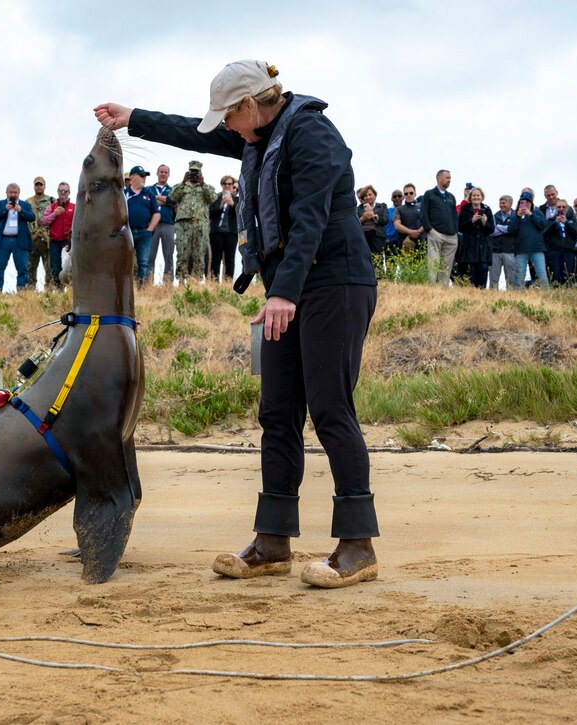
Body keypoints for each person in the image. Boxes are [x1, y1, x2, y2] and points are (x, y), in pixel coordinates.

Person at [94, 58, 379, 589]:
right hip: (289, 292)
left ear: (249, 106)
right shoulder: (257, 138)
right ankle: (272, 542)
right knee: (277, 412)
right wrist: (131, 117)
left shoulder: (312, 134)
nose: (224, 126)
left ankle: (358, 546)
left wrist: (285, 294)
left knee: (331, 408)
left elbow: (312, 217)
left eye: (227, 116)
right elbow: (191, 134)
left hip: (335, 284)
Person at [171, 160, 217, 284]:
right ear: (188, 172)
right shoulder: (180, 186)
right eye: (192, 172)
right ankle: (181, 281)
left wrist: (203, 184)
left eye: (197, 173)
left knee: (199, 255)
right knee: (182, 254)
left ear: (201, 173)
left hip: (200, 224)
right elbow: (173, 196)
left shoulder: (207, 187)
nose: (194, 175)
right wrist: (182, 182)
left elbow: (213, 198)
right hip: (183, 225)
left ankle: (195, 282)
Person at [0, 183, 35, 291]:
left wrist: (20, 210)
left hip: (20, 241)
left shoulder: (25, 205)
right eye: (11, 192)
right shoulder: (0, 203)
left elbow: (32, 217)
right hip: (3, 240)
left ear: (19, 193)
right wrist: (4, 209)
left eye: (15, 192)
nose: (13, 194)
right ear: (6, 193)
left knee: (23, 267)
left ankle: (22, 290)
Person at [420, 170, 459, 285]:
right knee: (434, 262)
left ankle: (442, 289)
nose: (449, 180)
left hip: (451, 236)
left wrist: (455, 231)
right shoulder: (429, 194)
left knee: (447, 264)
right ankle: (431, 288)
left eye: (450, 178)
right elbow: (423, 214)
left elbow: (454, 215)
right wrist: (430, 230)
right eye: (447, 177)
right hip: (435, 233)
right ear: (439, 178)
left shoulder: (451, 197)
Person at [124, 165, 160, 286]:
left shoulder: (149, 194)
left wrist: (150, 229)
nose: (144, 178)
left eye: (145, 176)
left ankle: (142, 288)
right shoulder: (124, 194)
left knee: (143, 262)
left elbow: (156, 214)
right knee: (126, 262)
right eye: (142, 176)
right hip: (127, 233)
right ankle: (127, 287)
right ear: (133, 178)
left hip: (144, 233)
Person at [455, 187, 493, 288]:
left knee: (483, 272)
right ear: (470, 197)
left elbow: (491, 229)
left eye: (478, 195)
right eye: (474, 195)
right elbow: (460, 227)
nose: (476, 197)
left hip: (483, 249)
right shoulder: (465, 209)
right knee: (471, 275)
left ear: (482, 197)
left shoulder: (487, 209)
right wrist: (471, 221)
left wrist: (485, 222)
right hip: (469, 248)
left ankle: (481, 294)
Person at [510, 190, 549, 289]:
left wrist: (530, 214)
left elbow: (543, 225)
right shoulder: (515, 215)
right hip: (521, 250)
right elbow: (511, 230)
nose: (525, 204)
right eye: (523, 201)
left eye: (528, 201)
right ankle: (518, 297)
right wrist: (518, 217)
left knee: (542, 273)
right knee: (519, 275)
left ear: (531, 202)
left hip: (537, 248)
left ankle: (547, 295)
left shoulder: (537, 212)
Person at [42, 182, 76, 288]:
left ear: (69, 193)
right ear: (57, 192)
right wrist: (55, 214)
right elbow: (44, 221)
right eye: (61, 191)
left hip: (69, 242)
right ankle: (58, 291)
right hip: (55, 242)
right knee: (55, 268)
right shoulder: (51, 207)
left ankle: (71, 291)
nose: (63, 193)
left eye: (65, 191)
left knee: (70, 268)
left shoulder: (74, 207)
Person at [149, 164, 177, 285]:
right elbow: (149, 202)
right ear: (157, 173)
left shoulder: (173, 190)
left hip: (168, 224)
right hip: (152, 225)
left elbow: (173, 200)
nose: (163, 174)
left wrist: (157, 198)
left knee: (168, 255)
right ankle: (147, 283)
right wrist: (165, 201)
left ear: (168, 174)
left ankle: (168, 284)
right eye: (161, 172)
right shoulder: (149, 189)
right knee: (150, 256)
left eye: (166, 172)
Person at [208, 174, 239, 283]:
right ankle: (214, 282)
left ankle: (228, 283)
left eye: (230, 184)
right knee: (216, 258)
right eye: (225, 184)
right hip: (216, 232)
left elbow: (240, 214)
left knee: (230, 259)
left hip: (231, 232)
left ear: (233, 185)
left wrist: (232, 203)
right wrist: (221, 204)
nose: (227, 186)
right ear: (221, 185)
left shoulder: (238, 199)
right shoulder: (215, 198)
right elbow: (210, 213)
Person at [543, 198, 577, 285]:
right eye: (559, 207)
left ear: (567, 208)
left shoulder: (572, 220)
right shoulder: (550, 220)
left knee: (568, 276)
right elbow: (545, 234)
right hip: (554, 251)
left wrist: (566, 222)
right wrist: (555, 223)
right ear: (556, 208)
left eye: (564, 207)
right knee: (555, 275)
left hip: (568, 251)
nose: (561, 209)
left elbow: (576, 233)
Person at [25, 177, 54, 289]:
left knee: (49, 267)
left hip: (47, 238)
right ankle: (30, 291)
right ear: (34, 186)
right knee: (31, 267)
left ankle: (49, 290)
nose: (38, 187)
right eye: (37, 185)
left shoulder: (51, 200)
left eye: (40, 185)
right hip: (32, 238)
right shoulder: (28, 202)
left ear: (44, 186)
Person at [488, 195, 518, 289]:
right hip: (495, 251)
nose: (501, 205)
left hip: (510, 250)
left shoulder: (515, 216)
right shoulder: (494, 216)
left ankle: (511, 298)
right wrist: (507, 229)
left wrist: (499, 227)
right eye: (500, 203)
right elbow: (491, 232)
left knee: (511, 279)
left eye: (504, 203)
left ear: (510, 203)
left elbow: (514, 230)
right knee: (493, 278)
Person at [355, 184, 388, 256]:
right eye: (365, 196)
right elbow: (354, 224)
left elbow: (385, 220)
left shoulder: (382, 206)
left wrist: (375, 217)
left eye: (370, 194)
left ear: (375, 195)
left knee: (378, 262)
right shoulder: (357, 209)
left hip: (378, 238)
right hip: (363, 238)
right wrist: (363, 218)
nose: (368, 197)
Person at [393, 184, 424, 253]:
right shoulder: (399, 209)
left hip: (423, 242)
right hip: (405, 243)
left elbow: (428, 221)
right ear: (404, 196)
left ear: (415, 194)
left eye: (411, 193)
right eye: (406, 193)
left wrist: (418, 232)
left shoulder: (422, 206)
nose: (409, 195)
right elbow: (397, 225)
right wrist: (411, 232)